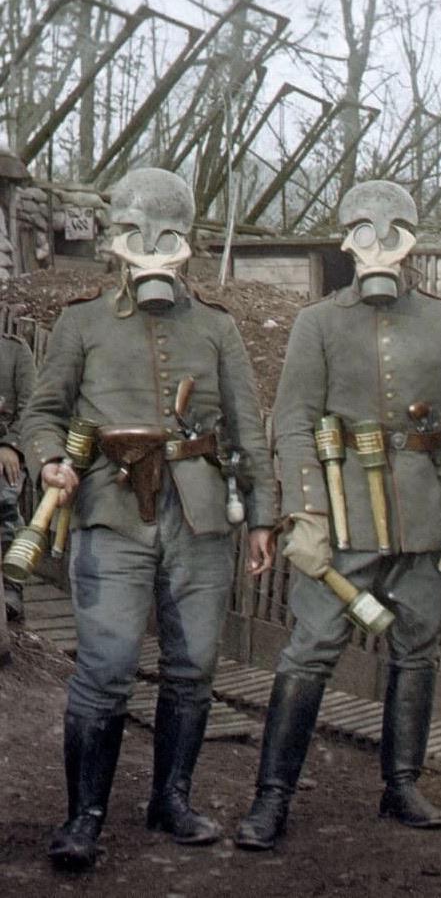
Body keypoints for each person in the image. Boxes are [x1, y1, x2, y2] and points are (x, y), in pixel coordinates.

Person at [21, 167, 276, 870]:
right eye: (137, 234)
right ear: (114, 242)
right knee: (105, 669)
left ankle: (172, 798)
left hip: (198, 517)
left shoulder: (218, 329)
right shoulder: (81, 322)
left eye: (166, 236)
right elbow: (42, 412)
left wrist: (262, 518)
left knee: (193, 668)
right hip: (111, 514)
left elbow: (250, 430)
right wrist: (49, 460)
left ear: (186, 244)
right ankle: (84, 816)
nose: (151, 251)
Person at [234, 180, 441, 850]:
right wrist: (305, 514)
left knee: (416, 647)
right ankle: (272, 796)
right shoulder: (317, 322)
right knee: (312, 647)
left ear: (411, 243)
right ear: (345, 241)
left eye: (393, 234)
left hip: (423, 517)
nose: (378, 249)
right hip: (340, 519)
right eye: (364, 234)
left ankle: (400, 785)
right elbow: (292, 422)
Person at [0, 330, 35, 620]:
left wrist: (12, 445)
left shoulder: (14, 349)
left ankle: (11, 587)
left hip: (3, 449)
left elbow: (31, 406)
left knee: (5, 504)